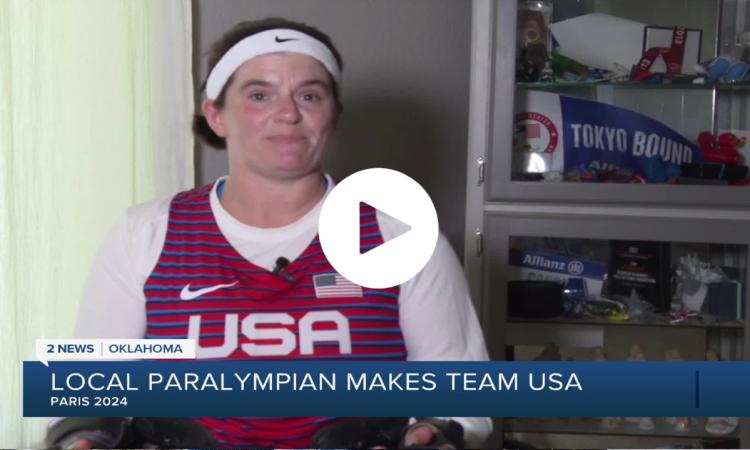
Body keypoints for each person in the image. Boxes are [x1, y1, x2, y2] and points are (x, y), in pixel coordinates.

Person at [70, 17, 491, 448]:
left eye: (309, 95)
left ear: (334, 114)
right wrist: (86, 434)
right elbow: (92, 393)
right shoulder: (143, 236)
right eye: (259, 95)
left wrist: (434, 432)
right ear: (216, 115)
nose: (288, 113)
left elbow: (460, 398)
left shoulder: (401, 239)